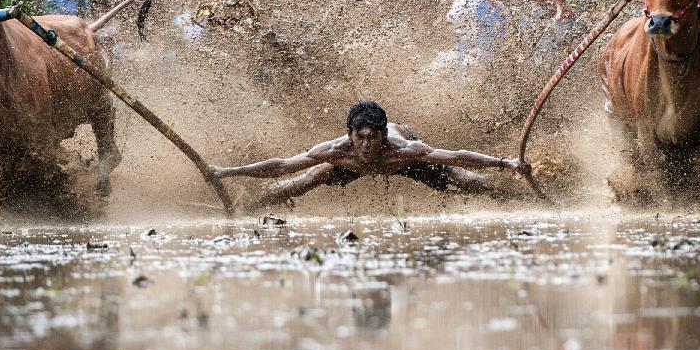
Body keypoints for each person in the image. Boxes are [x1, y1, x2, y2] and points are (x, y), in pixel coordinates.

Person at [211, 100, 527, 210]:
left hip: (404, 163)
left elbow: (457, 156)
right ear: (350, 135)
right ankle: (251, 207)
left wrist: (505, 163)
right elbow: (281, 166)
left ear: (382, 135)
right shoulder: (336, 151)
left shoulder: (404, 149)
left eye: (371, 137)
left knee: (466, 179)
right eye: (359, 137)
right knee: (301, 181)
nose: (365, 144)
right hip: (349, 166)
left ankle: (518, 197)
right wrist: (225, 172)